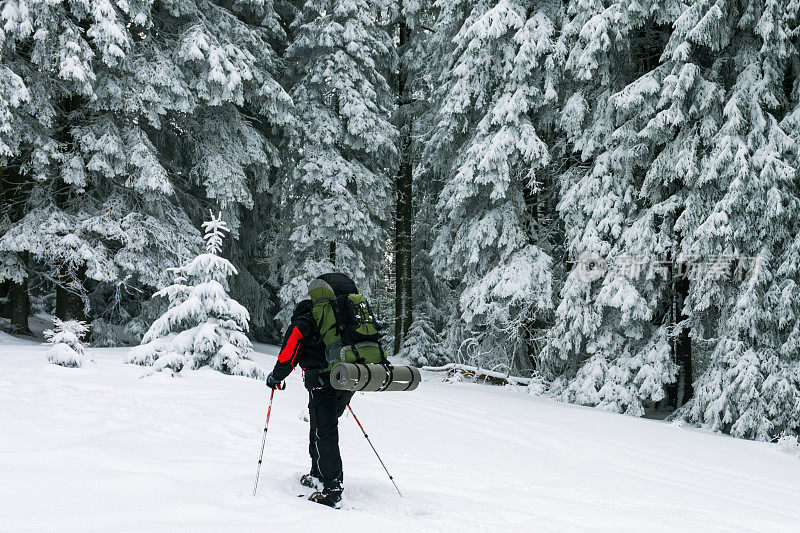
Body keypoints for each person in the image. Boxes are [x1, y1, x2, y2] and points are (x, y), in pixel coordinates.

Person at [266, 299, 354, 508]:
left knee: (324, 432)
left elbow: (287, 357)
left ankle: (332, 489)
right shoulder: (337, 321)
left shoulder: (302, 324)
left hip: (322, 384)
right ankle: (318, 474)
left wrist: (275, 377)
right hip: (347, 381)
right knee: (320, 428)